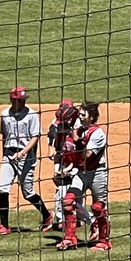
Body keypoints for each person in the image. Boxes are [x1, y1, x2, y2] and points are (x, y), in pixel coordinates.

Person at [0, 87, 52, 233]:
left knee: (28, 193)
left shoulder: (32, 115)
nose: (22, 102)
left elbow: (35, 138)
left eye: (23, 100)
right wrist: (5, 155)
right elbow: (4, 136)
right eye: (19, 100)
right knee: (3, 188)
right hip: (9, 154)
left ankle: (47, 215)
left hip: (26, 156)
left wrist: (22, 153)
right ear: (12, 100)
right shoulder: (4, 114)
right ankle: (4, 225)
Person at [65, 101, 110, 251]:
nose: (80, 117)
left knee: (98, 207)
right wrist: (67, 168)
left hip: (97, 173)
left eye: (83, 115)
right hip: (81, 172)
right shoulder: (78, 131)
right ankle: (69, 238)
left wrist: (76, 139)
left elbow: (88, 154)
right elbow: (73, 154)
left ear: (91, 117)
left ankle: (104, 241)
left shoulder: (97, 133)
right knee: (67, 201)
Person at [46, 100, 79, 233]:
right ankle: (61, 219)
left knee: (75, 189)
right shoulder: (56, 123)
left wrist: (70, 166)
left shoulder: (77, 126)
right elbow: (51, 137)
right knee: (61, 188)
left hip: (75, 160)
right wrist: (50, 150)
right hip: (62, 158)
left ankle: (77, 218)